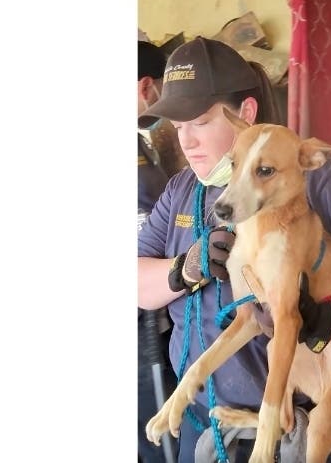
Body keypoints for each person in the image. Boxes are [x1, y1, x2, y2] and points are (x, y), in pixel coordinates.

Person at [137, 36, 331, 463]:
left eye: (199, 121)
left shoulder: (318, 177)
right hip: (207, 422)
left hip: (304, 425)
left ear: (246, 116)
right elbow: (135, 280)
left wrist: (327, 317)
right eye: (177, 126)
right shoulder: (183, 190)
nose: (187, 141)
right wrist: (181, 269)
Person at [137, 40, 179, 463]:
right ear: (148, 87)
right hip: (140, 319)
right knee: (156, 436)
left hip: (150, 307)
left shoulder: (145, 142)